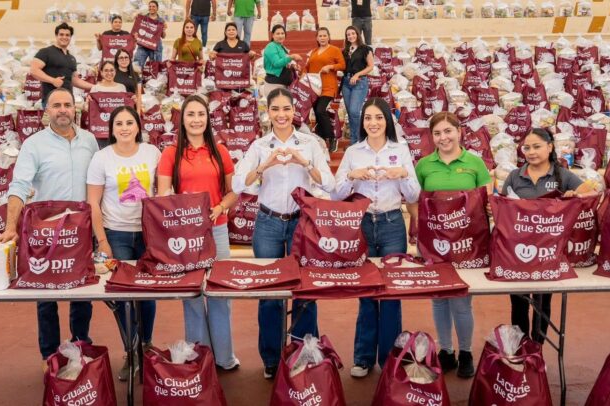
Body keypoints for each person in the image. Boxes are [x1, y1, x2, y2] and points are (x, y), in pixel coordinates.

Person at [0, 88, 100, 365]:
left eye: (67, 104)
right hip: (45, 232)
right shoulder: (34, 144)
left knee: (82, 294)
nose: (63, 109)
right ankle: (49, 356)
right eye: (57, 105)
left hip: (80, 231)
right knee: (45, 296)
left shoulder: (89, 140)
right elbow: (19, 186)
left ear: (75, 109)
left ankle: (81, 346)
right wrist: (11, 227)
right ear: (47, 111)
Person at [232, 88, 335, 379]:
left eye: (286, 109)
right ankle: (271, 357)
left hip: (301, 223)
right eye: (275, 109)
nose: (281, 115)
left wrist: (305, 163)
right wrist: (265, 165)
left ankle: (305, 353)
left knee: (305, 290)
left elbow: (329, 184)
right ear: (268, 113)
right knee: (269, 293)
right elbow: (239, 185)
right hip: (268, 223)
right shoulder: (259, 145)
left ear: (294, 111)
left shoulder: (311, 144)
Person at [332, 97, 419, 377]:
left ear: (387, 121)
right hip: (363, 224)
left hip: (393, 223)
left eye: (379, 117)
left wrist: (403, 173)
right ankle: (363, 358)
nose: (373, 123)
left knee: (391, 293)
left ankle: (391, 358)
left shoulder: (400, 149)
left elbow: (414, 194)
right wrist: (352, 176)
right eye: (368, 118)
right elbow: (336, 193)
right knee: (367, 292)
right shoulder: (353, 151)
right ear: (362, 122)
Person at [156, 95, 241, 370]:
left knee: (219, 293)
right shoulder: (171, 153)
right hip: (184, 237)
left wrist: (220, 207)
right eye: (190, 114)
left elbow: (233, 193)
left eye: (201, 114)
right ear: (182, 120)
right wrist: (181, 212)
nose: (196, 120)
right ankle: (200, 357)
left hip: (217, 231)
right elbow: (163, 194)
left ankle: (225, 358)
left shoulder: (220, 151)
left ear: (208, 118)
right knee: (192, 296)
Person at [414, 111, 493, 378]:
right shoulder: (424, 165)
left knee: (461, 302)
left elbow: (486, 202)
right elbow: (417, 201)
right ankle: (446, 351)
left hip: (468, 246)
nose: (443, 137)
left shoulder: (475, 163)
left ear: (459, 132)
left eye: (448, 131)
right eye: (437, 133)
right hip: (435, 245)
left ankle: (466, 352)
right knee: (439, 300)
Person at [86, 106, 161, 381]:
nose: (125, 128)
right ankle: (131, 350)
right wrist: (102, 240)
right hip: (115, 233)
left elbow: (163, 191)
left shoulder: (152, 153)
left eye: (130, 122)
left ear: (138, 126)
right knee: (122, 296)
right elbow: (93, 202)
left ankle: (146, 344)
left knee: (148, 293)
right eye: (119, 123)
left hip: (148, 234)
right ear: (112, 128)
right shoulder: (101, 157)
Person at [501, 128, 595, 345]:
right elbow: (504, 206)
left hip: (549, 252)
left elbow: (590, 192)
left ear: (550, 147)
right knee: (519, 302)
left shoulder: (563, 175)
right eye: (527, 148)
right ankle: (522, 345)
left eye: (537, 146)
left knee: (543, 301)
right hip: (518, 252)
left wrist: (575, 195)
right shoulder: (515, 176)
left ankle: (538, 346)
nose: (531, 152)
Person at [30, 22, 93, 107]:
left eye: (67, 35)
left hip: (68, 102)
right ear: (56, 36)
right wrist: (52, 80)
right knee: (50, 116)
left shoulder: (71, 58)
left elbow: (75, 80)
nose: (64, 37)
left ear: (70, 37)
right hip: (51, 101)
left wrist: (95, 87)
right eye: (61, 34)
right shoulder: (45, 52)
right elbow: (34, 70)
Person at [305, 27, 345, 153]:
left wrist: (331, 66)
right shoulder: (314, 51)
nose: (322, 38)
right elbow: (307, 67)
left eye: (324, 35)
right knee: (317, 114)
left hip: (328, 86)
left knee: (320, 110)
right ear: (317, 38)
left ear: (328, 37)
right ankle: (321, 139)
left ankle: (332, 138)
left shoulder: (334, 50)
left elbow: (342, 65)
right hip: (315, 87)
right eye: (320, 36)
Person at [342, 26, 373, 147]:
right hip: (346, 83)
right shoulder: (345, 50)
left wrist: (357, 74)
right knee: (350, 114)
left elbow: (370, 66)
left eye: (353, 33)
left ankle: (359, 141)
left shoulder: (365, 49)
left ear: (357, 34)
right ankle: (353, 142)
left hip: (359, 82)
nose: (351, 36)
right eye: (348, 34)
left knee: (354, 111)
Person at [262, 25, 302, 98]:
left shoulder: (280, 46)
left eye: (282, 33)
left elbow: (284, 63)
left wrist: (292, 66)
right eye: (278, 33)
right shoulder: (271, 46)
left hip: (282, 84)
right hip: (274, 84)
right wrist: (291, 57)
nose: (280, 36)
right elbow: (276, 63)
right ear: (273, 35)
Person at [134, 1, 168, 69]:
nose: (151, 8)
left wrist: (163, 30)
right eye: (150, 6)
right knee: (137, 66)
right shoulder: (143, 18)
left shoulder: (161, 21)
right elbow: (137, 31)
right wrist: (136, 18)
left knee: (155, 68)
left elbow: (163, 36)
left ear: (157, 8)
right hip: (143, 46)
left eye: (153, 6)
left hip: (156, 47)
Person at [113, 49, 143, 115]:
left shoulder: (135, 75)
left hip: (131, 109)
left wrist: (138, 113)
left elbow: (138, 96)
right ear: (117, 60)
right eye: (121, 58)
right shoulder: (112, 74)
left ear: (129, 59)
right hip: (116, 109)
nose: (124, 60)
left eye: (126, 57)